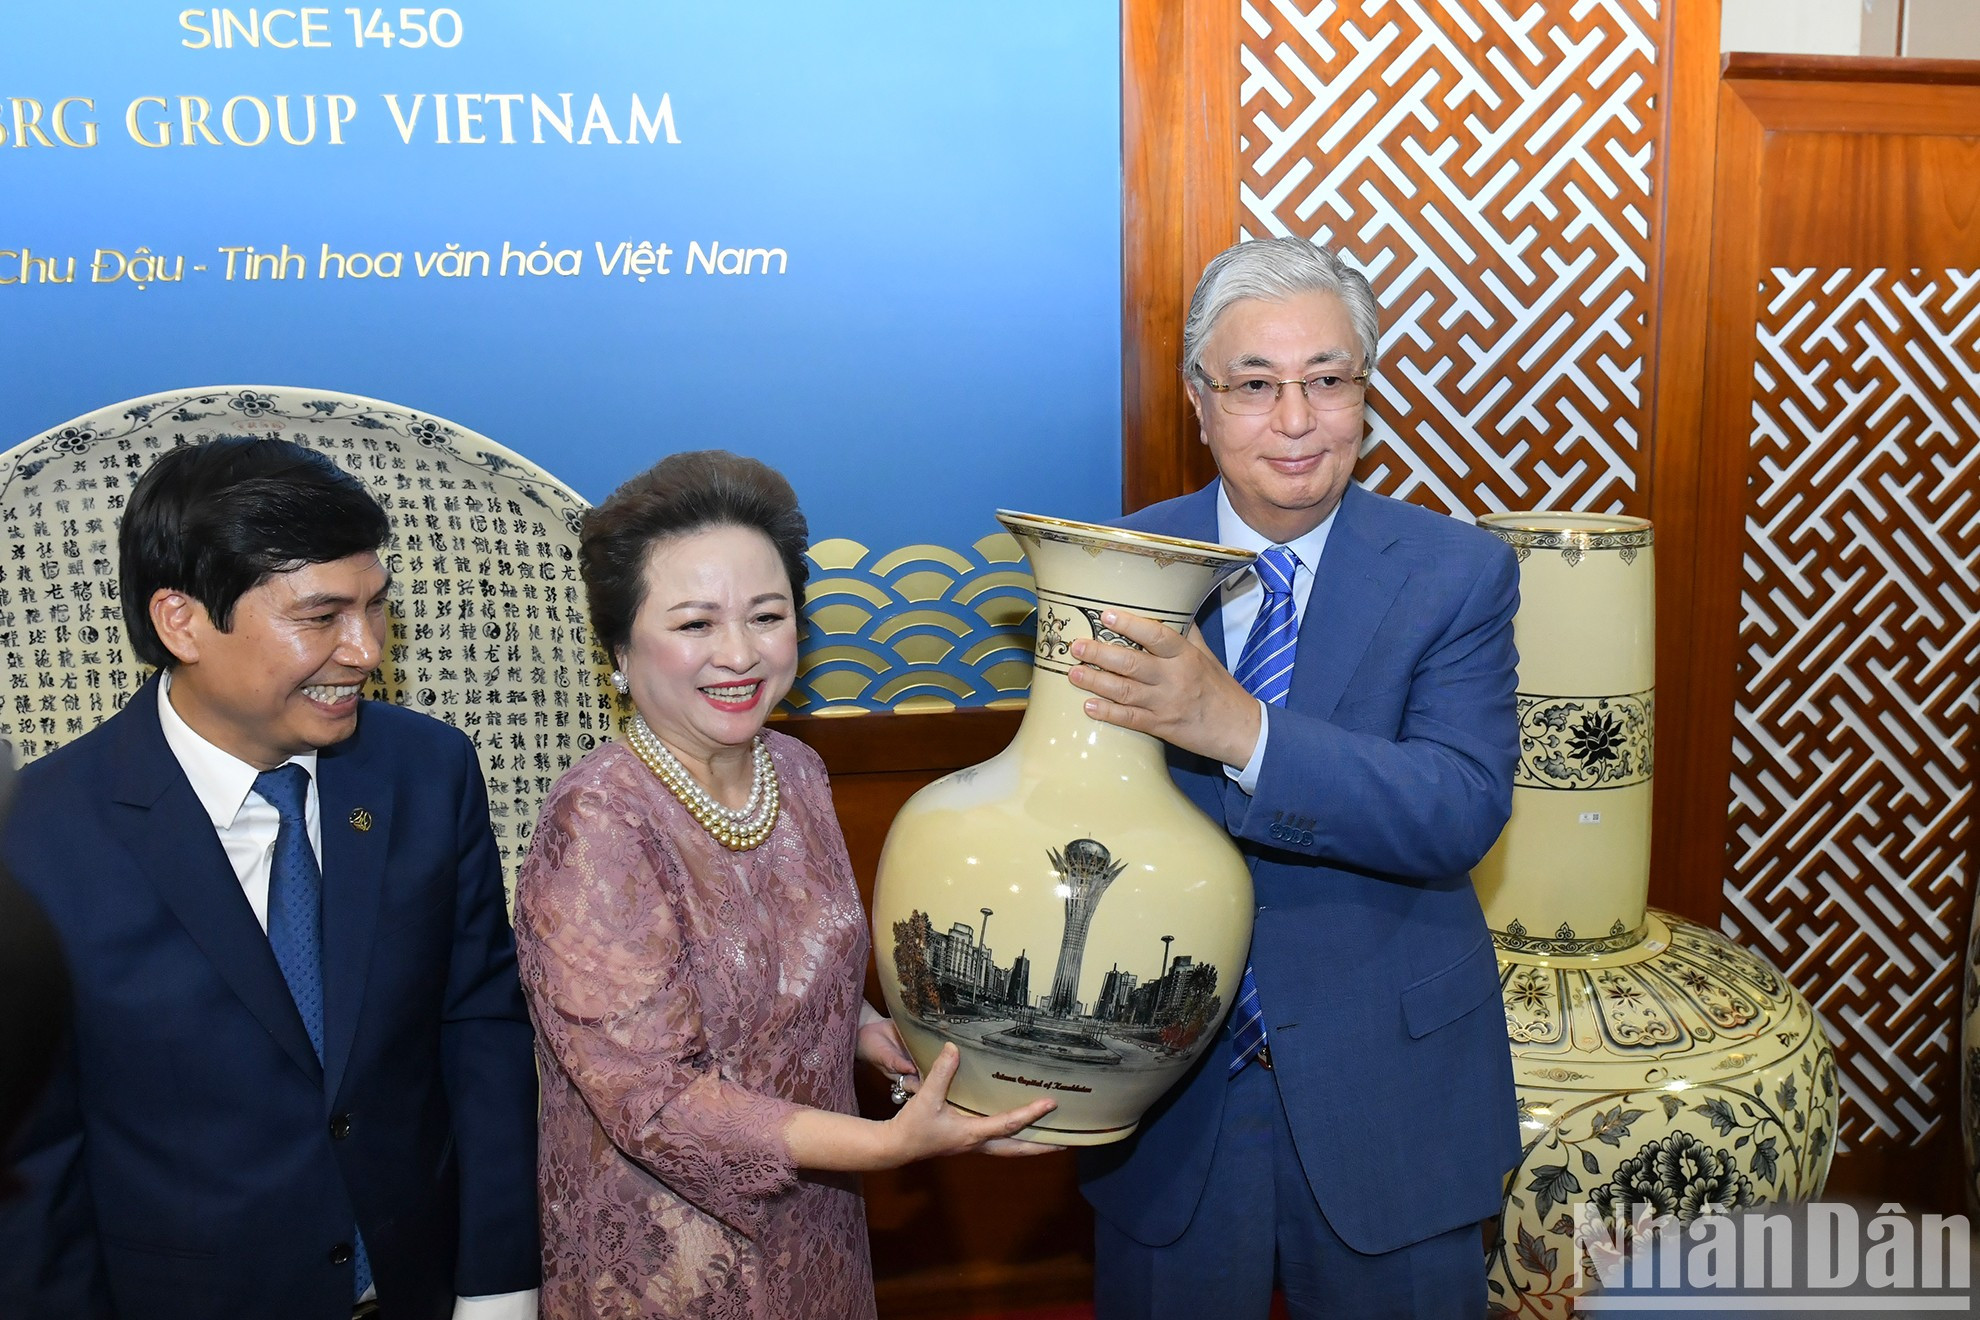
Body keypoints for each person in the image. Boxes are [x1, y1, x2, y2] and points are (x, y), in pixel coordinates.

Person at [1072, 237, 1523, 1318]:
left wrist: (1241, 731)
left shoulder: (1458, 572)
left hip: (1391, 1087)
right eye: (1255, 385)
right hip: (1169, 1089)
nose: (1295, 419)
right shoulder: (1114, 566)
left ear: (1365, 394)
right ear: (1199, 401)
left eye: (1327, 380)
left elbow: (1458, 807)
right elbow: (1066, 807)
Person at [0, 437, 541, 1319]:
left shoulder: (426, 772)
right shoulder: (37, 840)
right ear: (181, 621)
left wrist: (500, 1283)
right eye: (321, 616)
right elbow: (31, 1162)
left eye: (375, 606)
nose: (364, 650)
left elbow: (479, 1028)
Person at [515, 450, 1053, 1320]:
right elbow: (657, 1103)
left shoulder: (795, 771)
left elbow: (794, 969)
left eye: (766, 616)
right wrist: (887, 1146)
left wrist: (869, 1031)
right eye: (695, 623)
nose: (738, 653)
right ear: (618, 646)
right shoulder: (599, 821)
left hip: (817, 1219)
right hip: (670, 1261)